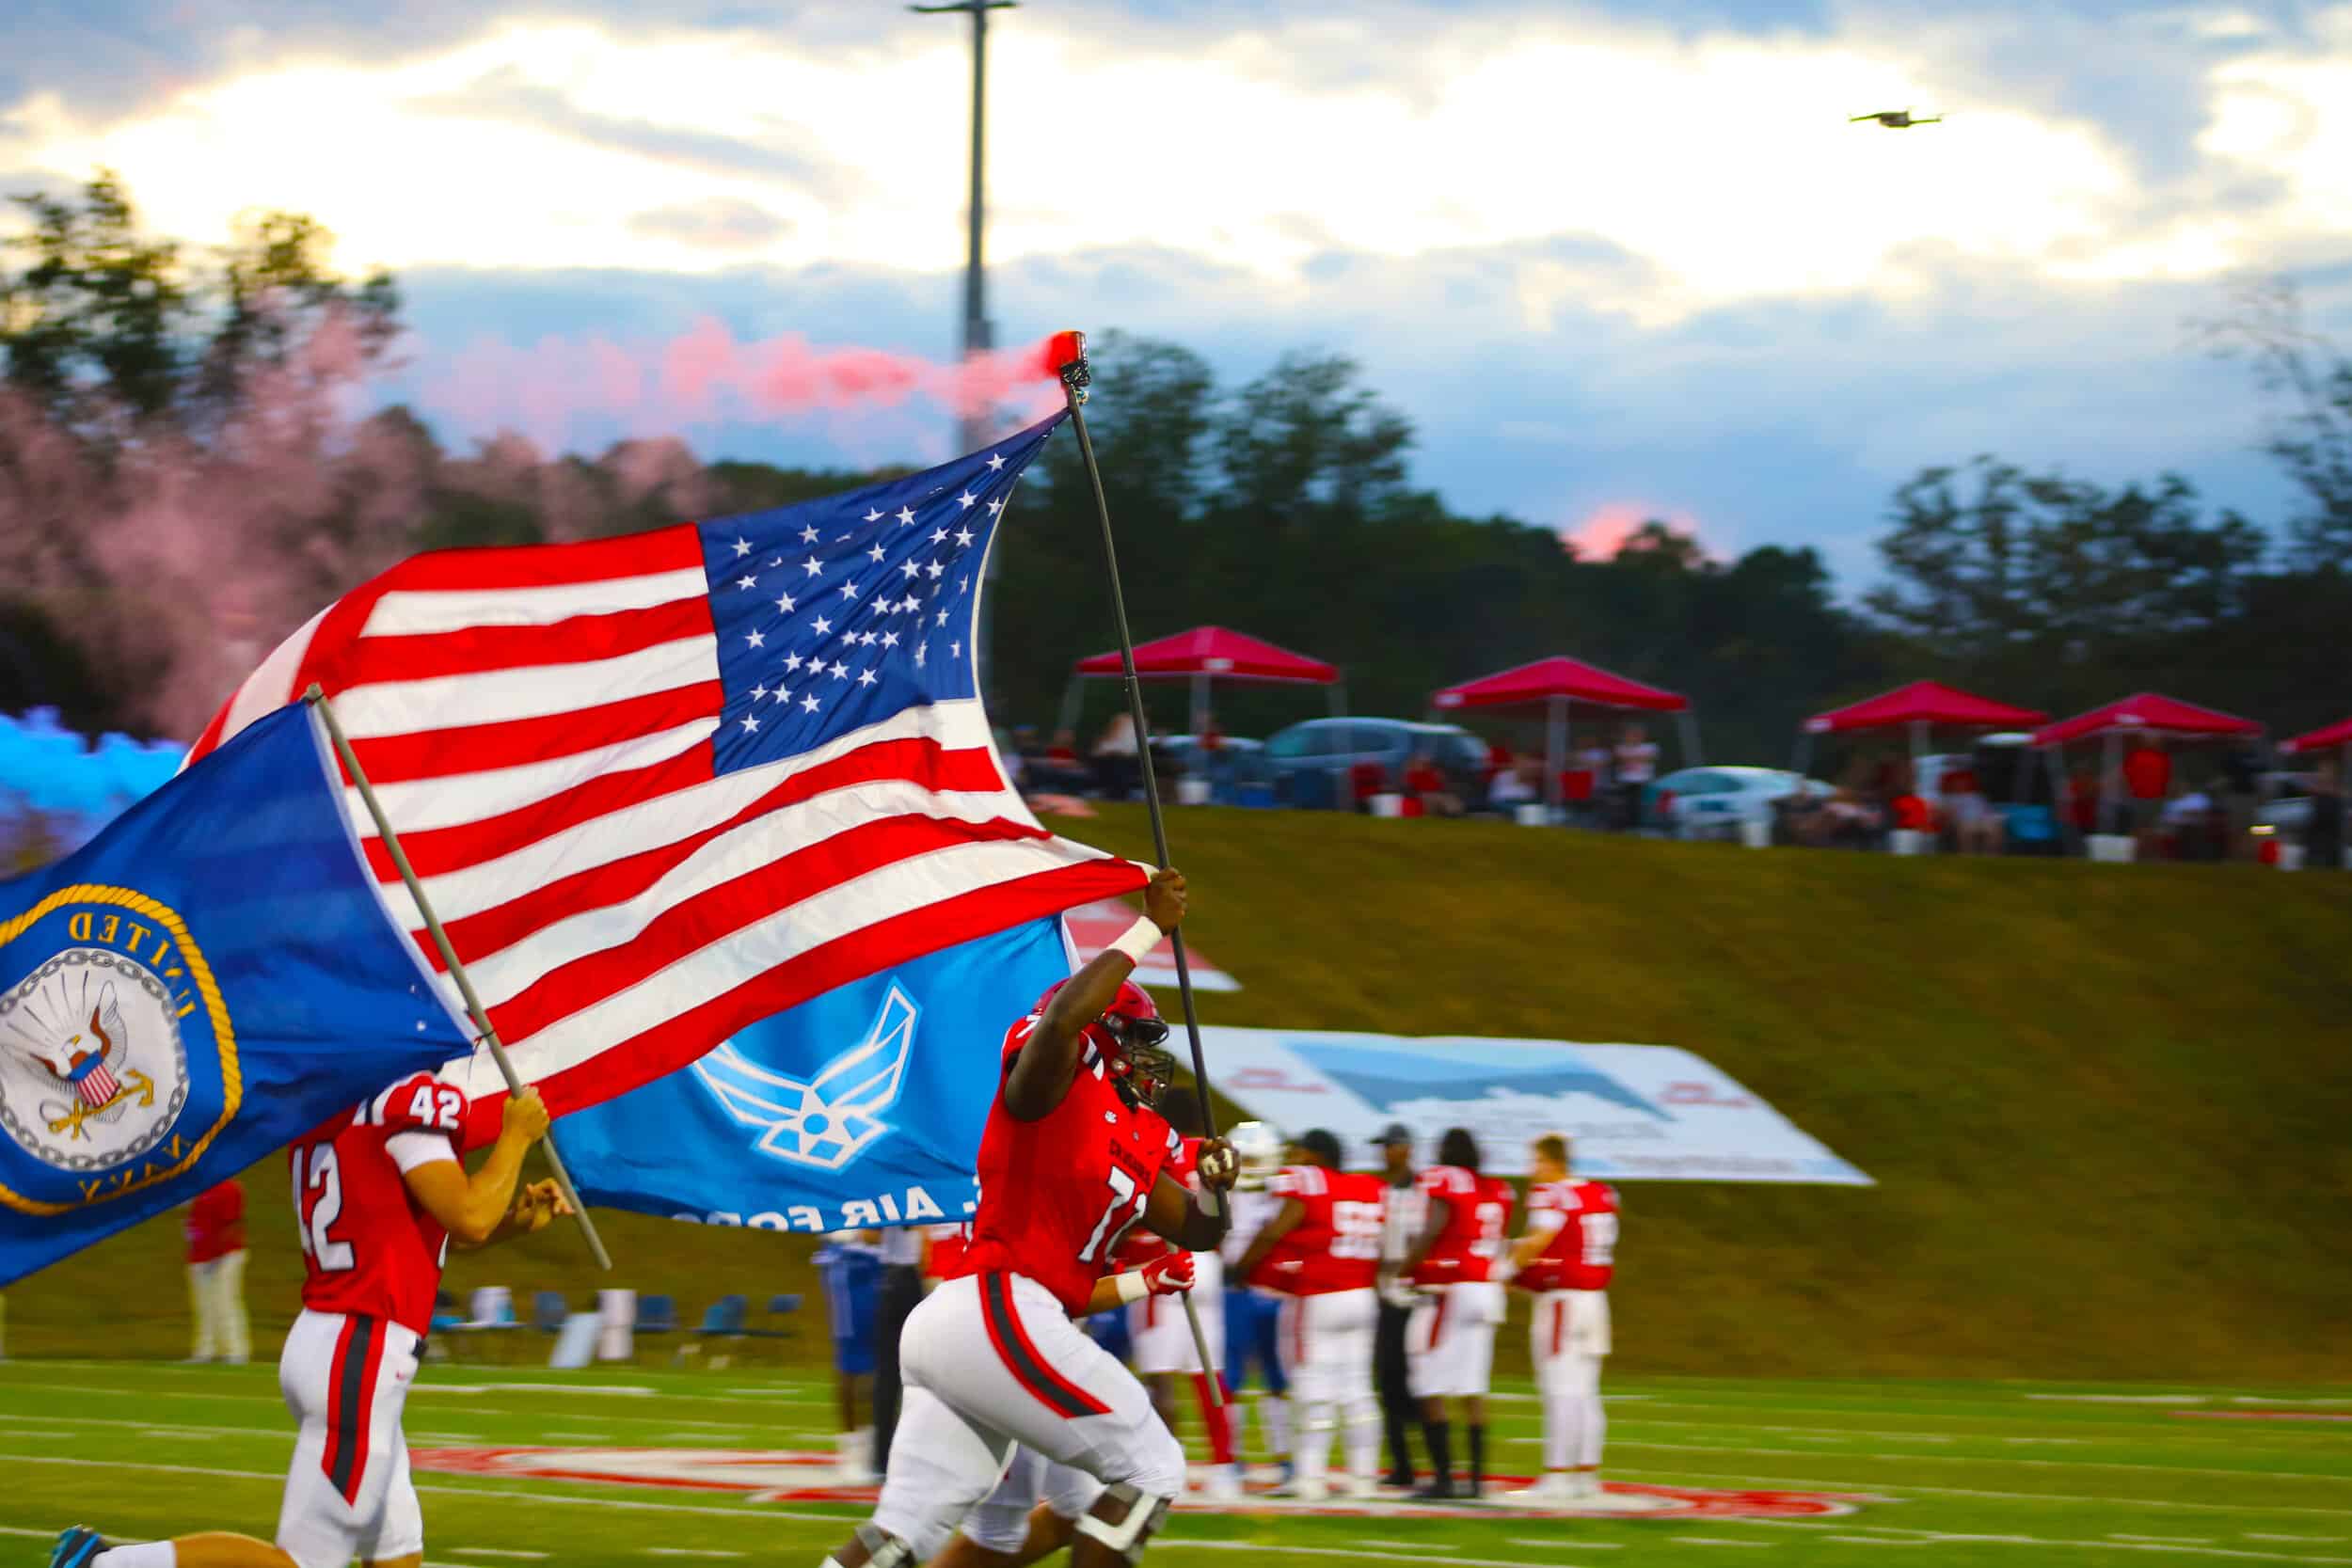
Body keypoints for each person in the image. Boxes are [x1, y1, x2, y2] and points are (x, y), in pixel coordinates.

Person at [819, 867, 1236, 1568]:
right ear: (1103, 1035)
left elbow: (1200, 1228)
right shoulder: (1053, 1083)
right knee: (1152, 1467)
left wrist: (1222, 1184)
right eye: (1134, 1040)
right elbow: (1065, 1021)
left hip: (977, 1318)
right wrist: (1147, 929)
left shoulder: (1133, 1134)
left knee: (904, 1534)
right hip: (999, 1303)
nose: (1147, 1061)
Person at [53, 1078, 568, 1568]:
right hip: (361, 1348)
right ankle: (104, 1561)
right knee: (305, 1560)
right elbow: (469, 1214)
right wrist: (516, 1136)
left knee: (398, 1547)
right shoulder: (404, 1101)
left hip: (337, 1339)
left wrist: (515, 1223)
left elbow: (428, 1233)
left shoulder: (342, 1105)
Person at [1232, 1129, 1387, 1501]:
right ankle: (1363, 1477)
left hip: (1320, 1296)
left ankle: (1310, 1477)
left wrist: (1241, 1268)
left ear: (1317, 1156)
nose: (1295, 1162)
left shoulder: (1310, 1180)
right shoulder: (1370, 1186)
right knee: (1358, 1390)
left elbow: (1275, 1229)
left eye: (1301, 1155)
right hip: (1363, 1294)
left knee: (1312, 1388)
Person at [1111, 1098, 1239, 1500]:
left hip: (1164, 1262)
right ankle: (1225, 1467)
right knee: (1210, 1373)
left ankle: (1169, 1469)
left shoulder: (1152, 1142)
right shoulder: (1213, 1150)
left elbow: (1131, 1203)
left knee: (1160, 1377)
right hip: (1208, 1264)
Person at [1389, 1126, 1511, 1499]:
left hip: (1452, 1290)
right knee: (1473, 1386)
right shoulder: (1497, 1188)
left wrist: (1408, 1266)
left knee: (1428, 1381)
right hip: (1487, 1288)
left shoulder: (1446, 1179)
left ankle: (1444, 1478)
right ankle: (1475, 1479)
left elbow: (1436, 1223)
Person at [1505, 1135, 1619, 1505]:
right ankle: (1587, 1476)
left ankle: (1557, 1477)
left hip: (1563, 1304)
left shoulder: (1551, 1194)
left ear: (1553, 1162)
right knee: (1586, 1391)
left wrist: (1505, 1269)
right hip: (1594, 1300)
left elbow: (1541, 1237)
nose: (1531, 1169)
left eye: (1535, 1160)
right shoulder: (1601, 1193)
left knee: (1560, 1391)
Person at [1217, 1121, 1295, 1478]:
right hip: (1234, 1292)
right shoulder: (1222, 1191)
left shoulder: (1284, 1192)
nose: (1249, 1167)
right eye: (1244, 1159)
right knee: (1231, 1375)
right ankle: (1232, 1454)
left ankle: (1284, 1454)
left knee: (1276, 1376)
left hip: (1271, 1291)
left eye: (1255, 1159)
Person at [1370, 1124, 1421, 1487]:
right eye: (1383, 1147)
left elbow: (1421, 1239)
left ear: (1406, 1149)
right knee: (1387, 1382)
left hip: (1414, 1298)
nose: (1385, 1153)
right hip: (1386, 1296)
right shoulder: (1380, 1190)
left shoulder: (1421, 1190)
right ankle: (1401, 1464)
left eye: (1390, 1146)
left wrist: (1396, 1265)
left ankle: (1427, 1459)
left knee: (1413, 1384)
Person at [818, 1231, 886, 1482]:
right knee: (854, 1359)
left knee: (888, 1359)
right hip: (851, 1252)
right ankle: (852, 1452)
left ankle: (876, 1448)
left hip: (889, 1258)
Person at [871, 1219, 928, 1475]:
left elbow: (867, 1234)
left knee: (887, 1376)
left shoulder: (894, 1190)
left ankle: (882, 1457)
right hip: (908, 1278)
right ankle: (904, 1455)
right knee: (914, 1374)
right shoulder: (922, 1192)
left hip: (889, 1279)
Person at [185, 1178, 251, 1366]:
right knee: (204, 1306)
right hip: (200, 1255)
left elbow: (233, 1222)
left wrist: (218, 1253)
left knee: (227, 1301)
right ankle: (206, 1350)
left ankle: (236, 1351)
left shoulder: (229, 1188)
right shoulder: (201, 1187)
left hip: (225, 1255)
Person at [1939, 758, 2002, 855]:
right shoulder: (1949, 798)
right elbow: (1948, 815)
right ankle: (1968, 857)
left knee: (1994, 828)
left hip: (1981, 821)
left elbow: (1988, 811)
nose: (1960, 784)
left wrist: (1991, 818)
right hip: (1963, 823)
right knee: (1966, 829)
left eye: (1963, 781)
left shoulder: (1977, 797)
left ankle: (1990, 858)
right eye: (1957, 782)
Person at [2122, 736, 2170, 854]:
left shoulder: (2162, 758)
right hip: (2138, 797)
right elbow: (2126, 777)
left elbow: (2166, 779)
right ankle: (2133, 853)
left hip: (2155, 798)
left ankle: (2152, 853)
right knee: (2137, 827)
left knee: (2152, 828)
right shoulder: (2135, 756)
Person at [1612, 724, 1658, 831]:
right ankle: (1628, 825)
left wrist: (1631, 757)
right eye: (1631, 735)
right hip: (1626, 780)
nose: (1634, 737)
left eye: (1636, 735)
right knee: (1627, 804)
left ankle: (1641, 825)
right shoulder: (1621, 747)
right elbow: (1620, 758)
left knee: (1642, 804)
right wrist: (1637, 757)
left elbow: (1649, 758)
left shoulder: (1650, 747)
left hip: (1643, 780)